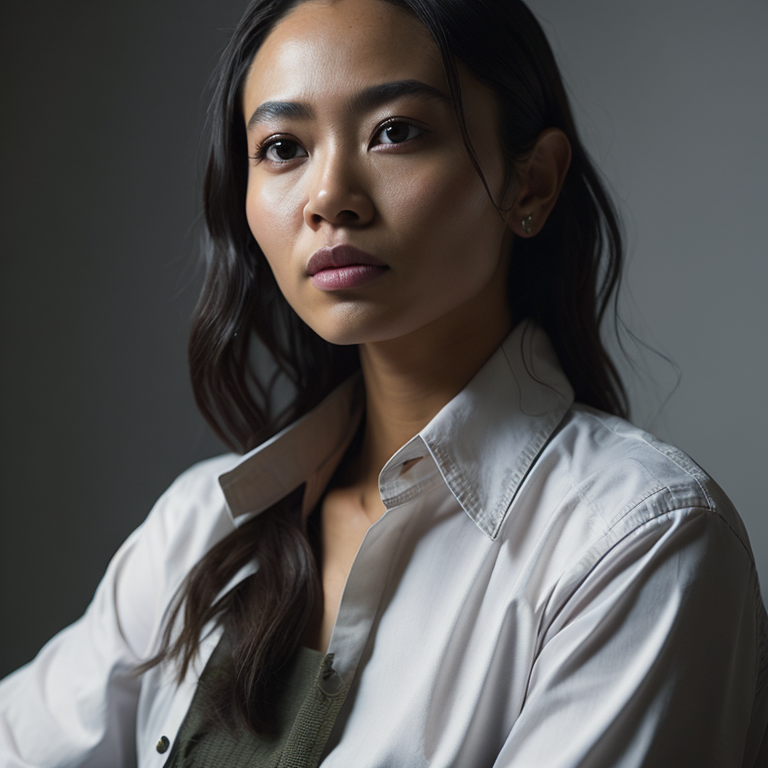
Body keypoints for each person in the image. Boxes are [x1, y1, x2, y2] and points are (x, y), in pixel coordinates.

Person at [1, 0, 766, 765]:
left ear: (530, 182)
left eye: (395, 131)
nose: (329, 196)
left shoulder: (637, 542)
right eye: (282, 147)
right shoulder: (202, 528)